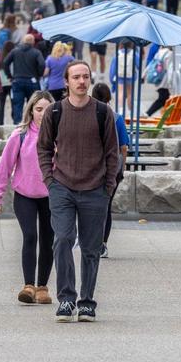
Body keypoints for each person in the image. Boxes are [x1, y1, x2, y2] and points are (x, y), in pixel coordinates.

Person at [37, 60, 119, 323]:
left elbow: (112, 153)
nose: (82, 82)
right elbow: (44, 148)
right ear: (67, 82)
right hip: (62, 187)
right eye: (76, 77)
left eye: (85, 77)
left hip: (95, 189)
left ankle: (86, 302)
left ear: (90, 80)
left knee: (91, 248)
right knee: (62, 240)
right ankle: (66, 299)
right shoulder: (55, 111)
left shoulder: (103, 112)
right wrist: (49, 180)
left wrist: (108, 187)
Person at [0, 91, 55, 305]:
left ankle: (42, 287)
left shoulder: (59, 135)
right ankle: (28, 285)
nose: (42, 114)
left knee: (48, 241)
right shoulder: (20, 135)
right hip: (24, 195)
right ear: (31, 110)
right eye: (38, 109)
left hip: (51, 196)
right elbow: (5, 166)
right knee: (30, 236)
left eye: (47, 109)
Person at [92, 83, 129, 259]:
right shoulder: (117, 118)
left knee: (91, 206)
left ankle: (92, 241)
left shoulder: (88, 116)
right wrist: (123, 167)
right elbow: (124, 147)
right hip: (113, 169)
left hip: (91, 168)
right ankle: (102, 244)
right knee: (106, 206)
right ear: (109, 98)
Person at [2, 34, 44, 125]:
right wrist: (39, 75)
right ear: (33, 42)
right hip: (32, 81)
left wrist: (9, 75)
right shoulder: (36, 52)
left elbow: (5, 63)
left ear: (23, 41)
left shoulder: (15, 51)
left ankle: (18, 124)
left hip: (17, 80)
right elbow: (42, 64)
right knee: (33, 104)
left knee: (17, 104)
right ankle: (32, 123)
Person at [111, 40, 139, 114]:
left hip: (120, 76)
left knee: (120, 92)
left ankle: (121, 110)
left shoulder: (118, 53)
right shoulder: (134, 53)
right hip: (130, 76)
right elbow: (138, 65)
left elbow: (113, 68)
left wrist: (112, 79)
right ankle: (130, 111)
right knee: (130, 93)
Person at [0, 40, 14, 126]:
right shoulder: (13, 57)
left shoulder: (1, 58)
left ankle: (0, 122)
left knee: (1, 104)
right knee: (13, 103)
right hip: (11, 83)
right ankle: (15, 120)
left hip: (2, 83)